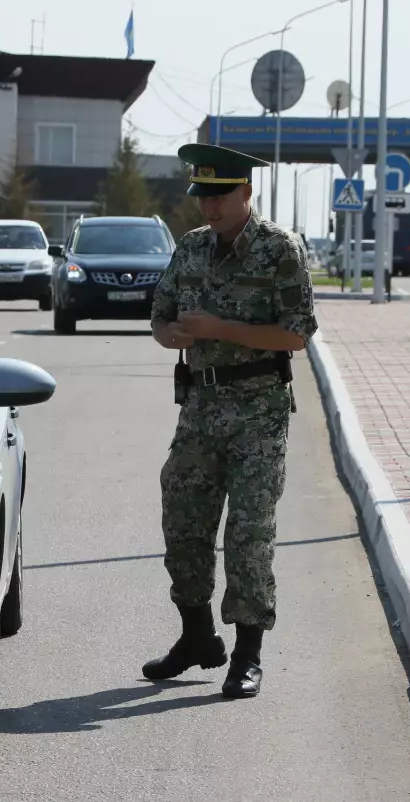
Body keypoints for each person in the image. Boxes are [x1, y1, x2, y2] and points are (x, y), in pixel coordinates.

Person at [144, 143, 318, 699]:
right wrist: (173, 334)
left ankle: (247, 653)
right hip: (200, 407)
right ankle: (197, 637)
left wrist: (220, 327)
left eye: (220, 197)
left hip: (259, 409)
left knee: (248, 534)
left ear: (246, 192)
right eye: (202, 197)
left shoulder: (279, 250)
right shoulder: (191, 249)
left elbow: (296, 334)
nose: (209, 208)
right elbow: (161, 314)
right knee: (184, 520)